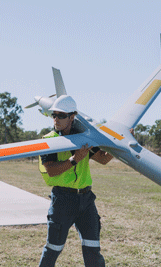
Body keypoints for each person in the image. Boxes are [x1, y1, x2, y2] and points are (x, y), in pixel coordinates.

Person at [38, 95, 114, 267]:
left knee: (93, 249)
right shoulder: (49, 140)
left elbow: (103, 159)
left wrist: (120, 143)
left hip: (86, 200)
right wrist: (74, 160)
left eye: (61, 115)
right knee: (53, 249)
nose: (56, 119)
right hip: (63, 200)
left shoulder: (84, 138)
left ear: (72, 117)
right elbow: (50, 170)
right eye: (54, 115)